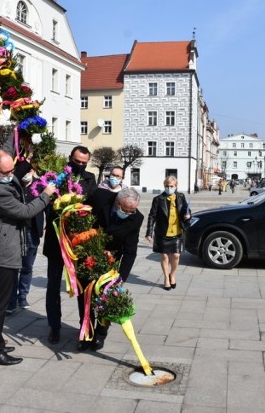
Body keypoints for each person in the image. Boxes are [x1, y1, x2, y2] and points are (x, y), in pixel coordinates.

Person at [0, 150, 55, 365]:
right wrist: (46, 194)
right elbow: (25, 211)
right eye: (7, 171)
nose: (12, 174)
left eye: (13, 169)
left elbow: (8, 152)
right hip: (1, 252)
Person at [43, 146, 97, 344]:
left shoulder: (90, 179)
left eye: (84, 162)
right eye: (77, 161)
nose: (81, 165)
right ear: (70, 159)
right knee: (53, 284)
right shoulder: (57, 176)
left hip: (78, 241)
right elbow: (46, 201)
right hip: (56, 240)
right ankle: (54, 326)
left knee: (82, 285)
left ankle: (85, 326)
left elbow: (93, 205)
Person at [81, 187, 144, 350]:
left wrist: (120, 279)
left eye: (132, 210)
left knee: (105, 296)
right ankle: (86, 333)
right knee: (85, 296)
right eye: (126, 210)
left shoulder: (136, 218)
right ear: (117, 202)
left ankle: (100, 334)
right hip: (87, 253)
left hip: (111, 259)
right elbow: (80, 213)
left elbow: (130, 251)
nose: (129, 214)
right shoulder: (100, 196)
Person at [6, 168, 45, 313]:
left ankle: (22, 296)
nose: (26, 173)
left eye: (29, 170)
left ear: (33, 170)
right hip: (15, 231)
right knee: (13, 267)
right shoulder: (12, 184)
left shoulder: (40, 185)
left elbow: (46, 204)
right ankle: (11, 300)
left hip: (32, 231)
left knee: (27, 267)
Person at [145, 176, 190, 290]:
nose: (169, 188)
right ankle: (166, 278)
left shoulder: (181, 196)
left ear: (176, 186)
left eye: (171, 186)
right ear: (164, 186)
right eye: (167, 186)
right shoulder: (158, 199)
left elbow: (186, 209)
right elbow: (152, 216)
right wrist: (149, 232)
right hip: (162, 232)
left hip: (177, 231)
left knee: (176, 255)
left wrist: (188, 215)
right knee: (164, 256)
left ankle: (172, 275)